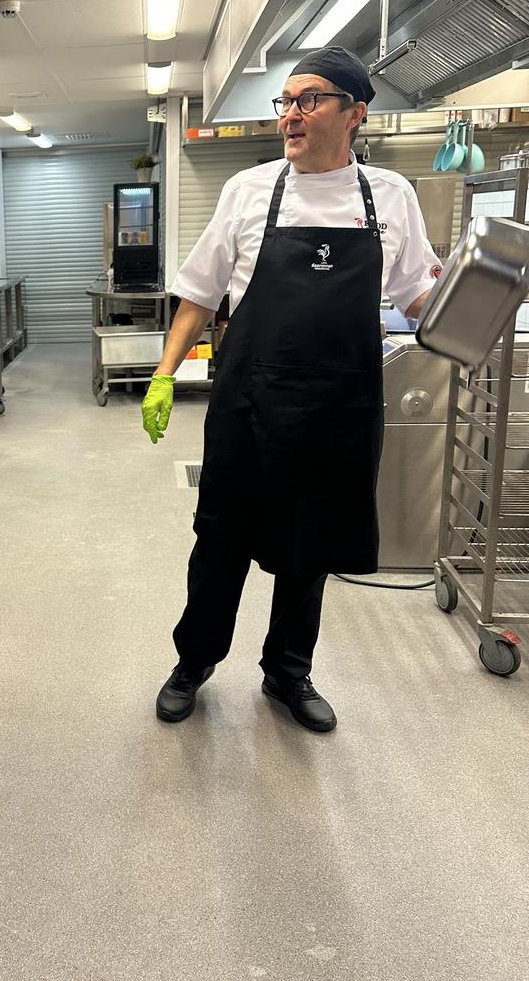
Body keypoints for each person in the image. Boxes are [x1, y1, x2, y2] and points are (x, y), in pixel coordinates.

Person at [142, 46, 441, 733]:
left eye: (309, 100)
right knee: (220, 542)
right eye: (286, 101)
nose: (290, 116)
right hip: (250, 403)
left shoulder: (389, 195)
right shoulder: (250, 190)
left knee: (312, 547)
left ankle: (287, 671)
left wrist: (480, 305)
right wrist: (164, 373)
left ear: (353, 113)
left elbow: (418, 295)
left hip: (339, 408)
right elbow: (199, 292)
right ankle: (194, 663)